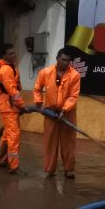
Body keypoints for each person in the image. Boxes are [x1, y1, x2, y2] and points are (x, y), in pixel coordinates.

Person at [34, 48, 81, 178]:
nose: (65, 63)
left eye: (68, 61)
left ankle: (69, 169)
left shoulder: (75, 75)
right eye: (63, 59)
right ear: (57, 58)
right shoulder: (45, 72)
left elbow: (73, 96)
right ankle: (49, 169)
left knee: (68, 143)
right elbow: (37, 89)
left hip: (68, 114)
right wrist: (39, 103)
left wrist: (65, 109)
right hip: (50, 113)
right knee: (50, 142)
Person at [0, 43, 25, 173]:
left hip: (9, 105)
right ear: (4, 55)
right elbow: (12, 91)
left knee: (8, 134)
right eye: (10, 54)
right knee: (14, 135)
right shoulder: (6, 70)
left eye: (14, 53)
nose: (14, 55)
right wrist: (22, 105)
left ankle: (1, 160)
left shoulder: (10, 68)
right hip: (9, 106)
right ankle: (13, 165)